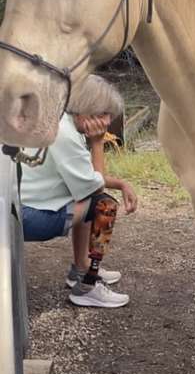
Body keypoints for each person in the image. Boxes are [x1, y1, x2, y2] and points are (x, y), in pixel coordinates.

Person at [20, 75, 137, 309]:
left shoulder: (58, 120)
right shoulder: (65, 136)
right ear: (86, 109)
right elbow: (96, 187)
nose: (107, 122)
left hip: (18, 209)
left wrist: (123, 183)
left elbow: (86, 180)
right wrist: (97, 144)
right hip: (29, 219)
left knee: (85, 198)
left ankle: (81, 269)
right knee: (105, 206)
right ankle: (87, 286)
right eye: (104, 114)